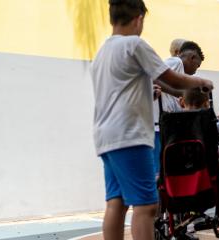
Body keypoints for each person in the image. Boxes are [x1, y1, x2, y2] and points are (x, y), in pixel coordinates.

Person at [90, 1, 212, 239]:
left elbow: (121, 89)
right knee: (146, 206)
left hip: (107, 137)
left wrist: (149, 91)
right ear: (139, 18)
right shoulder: (135, 44)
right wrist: (201, 83)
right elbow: (173, 80)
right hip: (131, 136)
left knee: (116, 203)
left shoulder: (103, 51)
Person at [152, 41, 205, 176]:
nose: (195, 71)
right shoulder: (176, 62)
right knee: (158, 170)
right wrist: (179, 92)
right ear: (192, 57)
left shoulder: (179, 72)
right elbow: (154, 76)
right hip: (158, 127)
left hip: (165, 126)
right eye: (197, 66)